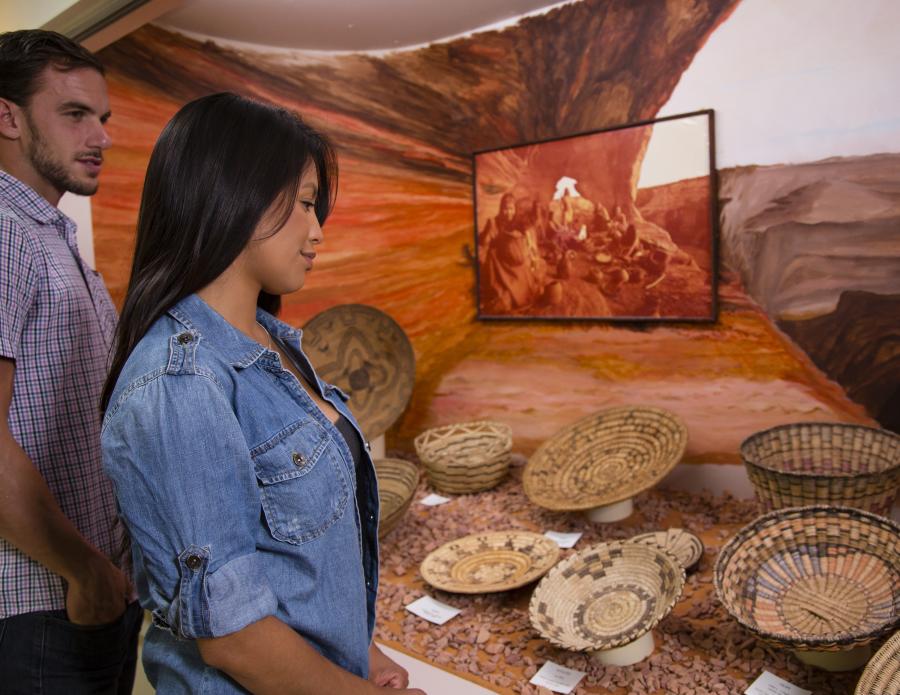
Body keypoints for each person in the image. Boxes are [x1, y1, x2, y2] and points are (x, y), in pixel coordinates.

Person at [99, 92, 424, 694]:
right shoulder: (179, 385)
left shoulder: (274, 343)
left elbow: (300, 558)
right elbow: (233, 638)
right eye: (304, 204)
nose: (317, 231)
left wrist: (363, 653)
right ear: (234, 196)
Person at [0, 30, 140, 693]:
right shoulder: (3, 230)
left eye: (103, 117)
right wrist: (85, 572)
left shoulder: (49, 235)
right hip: (42, 602)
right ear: (8, 116)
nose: (102, 136)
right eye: (76, 113)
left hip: (88, 594)